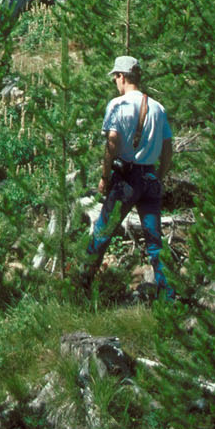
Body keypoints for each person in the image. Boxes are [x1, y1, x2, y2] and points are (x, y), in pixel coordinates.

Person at [81, 54, 173, 297]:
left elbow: (112, 143)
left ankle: (81, 287)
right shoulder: (158, 108)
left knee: (103, 231)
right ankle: (170, 297)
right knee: (154, 243)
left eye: (115, 77)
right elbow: (167, 148)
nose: (115, 82)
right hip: (150, 179)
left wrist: (104, 177)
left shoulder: (117, 105)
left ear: (121, 77)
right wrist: (159, 177)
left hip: (126, 181)